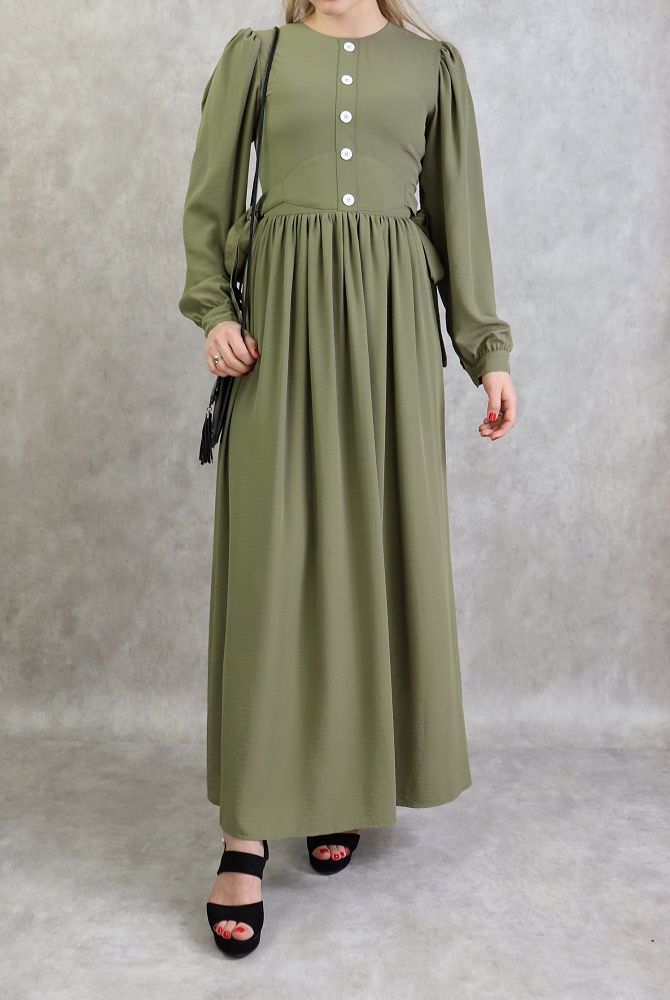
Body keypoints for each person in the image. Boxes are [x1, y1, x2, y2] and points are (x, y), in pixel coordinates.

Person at [178, 0, 517, 957]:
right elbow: (210, 202)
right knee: (274, 562)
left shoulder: (434, 68)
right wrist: (214, 312)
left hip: (390, 335)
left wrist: (487, 352)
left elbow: (459, 219)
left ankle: (341, 786)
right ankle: (247, 831)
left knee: (371, 552)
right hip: (279, 330)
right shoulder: (257, 56)